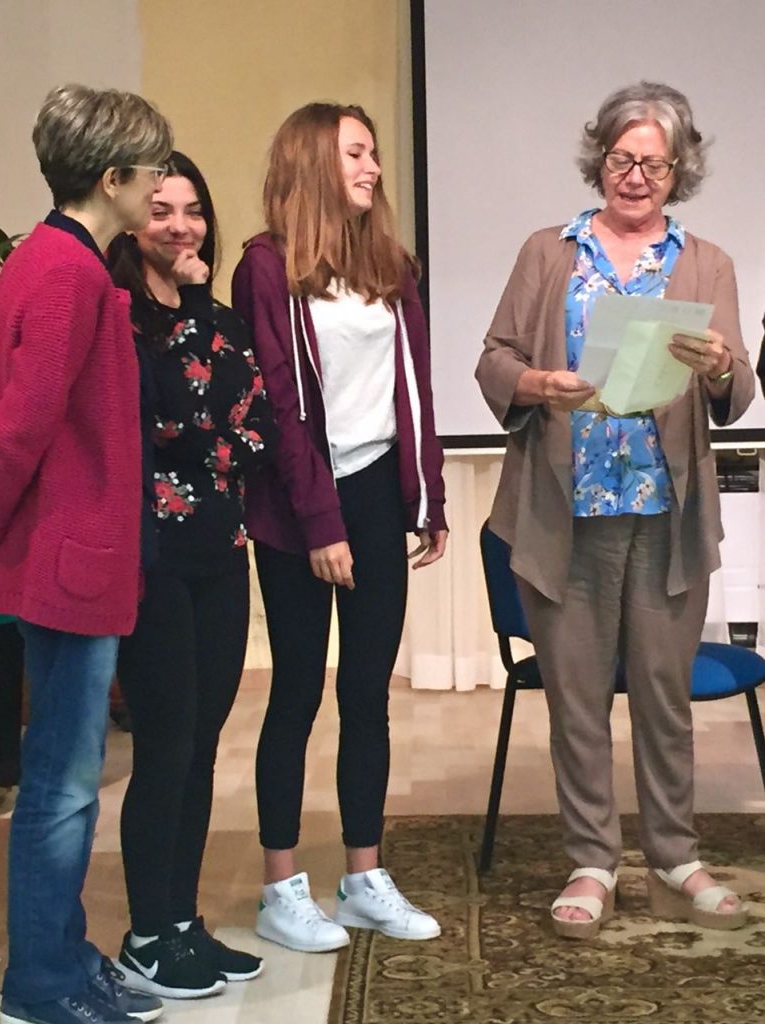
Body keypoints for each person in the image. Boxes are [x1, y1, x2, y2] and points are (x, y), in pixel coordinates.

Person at [475, 81, 754, 939]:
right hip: (565, 511)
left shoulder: (706, 262)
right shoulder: (547, 252)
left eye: (653, 165)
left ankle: (673, 855)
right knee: (577, 697)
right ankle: (591, 861)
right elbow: (493, 358)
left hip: (667, 514)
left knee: (664, 696)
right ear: (598, 159)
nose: (635, 177)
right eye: (621, 158)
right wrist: (535, 382)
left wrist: (717, 366)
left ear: (678, 172)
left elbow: (737, 388)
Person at [0, 85, 172, 1024]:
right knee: (64, 785)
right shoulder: (66, 272)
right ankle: (40, 983)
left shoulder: (60, 261)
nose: (161, 185)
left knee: (65, 779)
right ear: (111, 177)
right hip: (67, 557)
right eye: (153, 170)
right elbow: (22, 424)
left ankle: (65, 957)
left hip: (68, 552)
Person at [232, 102, 448, 954]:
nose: (372, 168)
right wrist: (320, 522)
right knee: (296, 690)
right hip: (296, 505)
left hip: (374, 494)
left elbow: (415, 383)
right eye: (355, 153)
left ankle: (363, 879)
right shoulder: (265, 266)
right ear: (312, 162)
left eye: (372, 153)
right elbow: (279, 405)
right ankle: (280, 888)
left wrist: (427, 496)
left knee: (367, 695)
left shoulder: (392, 265)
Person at [107, 151, 275, 997]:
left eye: (193, 210)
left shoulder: (217, 316)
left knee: (203, 745)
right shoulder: (120, 317)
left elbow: (257, 425)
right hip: (154, 557)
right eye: (162, 210)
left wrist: (203, 438)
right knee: (166, 745)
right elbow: (167, 416)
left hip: (221, 547)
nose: (181, 226)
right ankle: (144, 936)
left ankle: (179, 922)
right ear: (132, 220)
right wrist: (207, 437)